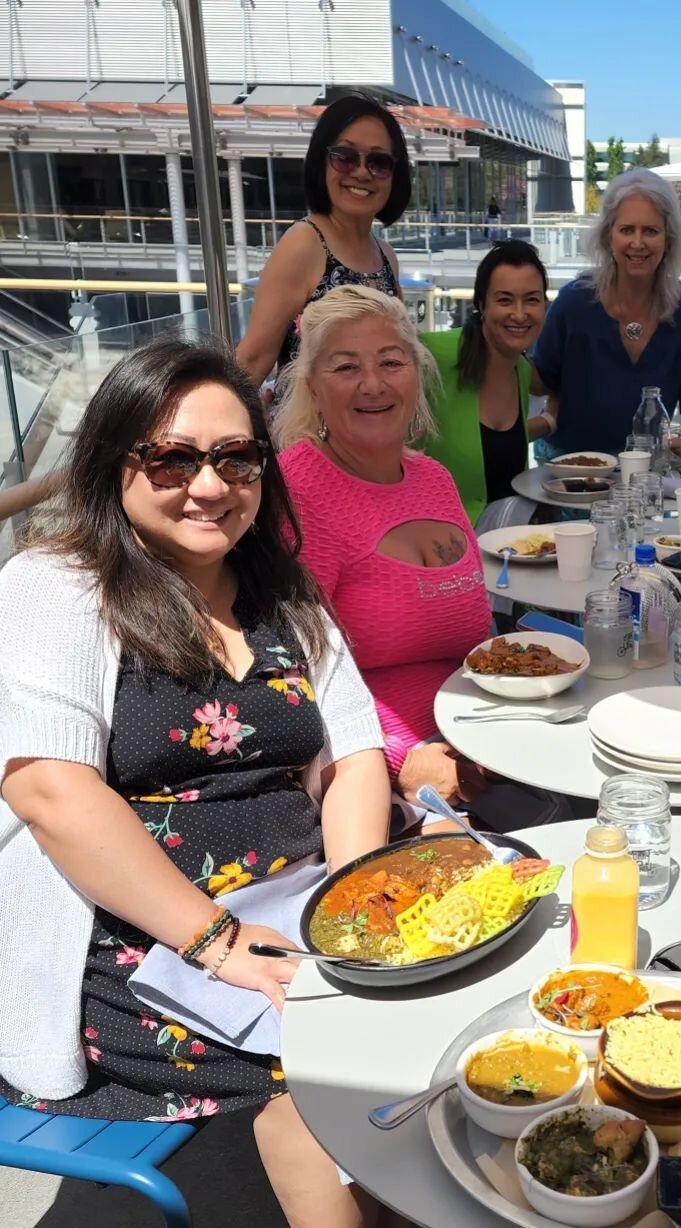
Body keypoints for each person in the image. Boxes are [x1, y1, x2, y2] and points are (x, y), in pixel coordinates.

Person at [0, 339, 390, 1228]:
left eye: (235, 456)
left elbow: (356, 754)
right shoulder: (56, 587)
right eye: (172, 457)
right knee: (342, 1068)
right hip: (146, 950)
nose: (209, 484)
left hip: (299, 921)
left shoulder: (276, 589)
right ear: (114, 464)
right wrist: (215, 940)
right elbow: (51, 792)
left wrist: (356, 903)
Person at [273, 287, 514, 820]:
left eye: (390, 361)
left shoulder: (433, 478)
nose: (373, 384)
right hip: (379, 773)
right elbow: (296, 676)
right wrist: (405, 758)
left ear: (415, 373)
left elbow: (475, 639)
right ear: (312, 387)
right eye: (345, 367)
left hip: (486, 739)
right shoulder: (298, 490)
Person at [530, 168, 681, 459]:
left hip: (649, 475)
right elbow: (538, 381)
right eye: (626, 230)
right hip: (569, 470)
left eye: (650, 231)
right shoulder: (574, 303)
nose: (637, 242)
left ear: (669, 238)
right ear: (608, 236)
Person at [235, 93, 409, 388]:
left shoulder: (385, 255)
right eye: (345, 157)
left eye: (379, 162)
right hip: (308, 431)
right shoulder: (305, 244)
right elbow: (253, 360)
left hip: (371, 424)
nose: (362, 172)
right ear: (322, 162)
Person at [420, 240, 553, 527]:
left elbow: (497, 444)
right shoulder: (433, 356)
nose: (519, 314)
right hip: (441, 552)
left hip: (507, 550)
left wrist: (550, 421)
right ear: (481, 304)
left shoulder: (519, 369)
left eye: (531, 299)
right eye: (505, 300)